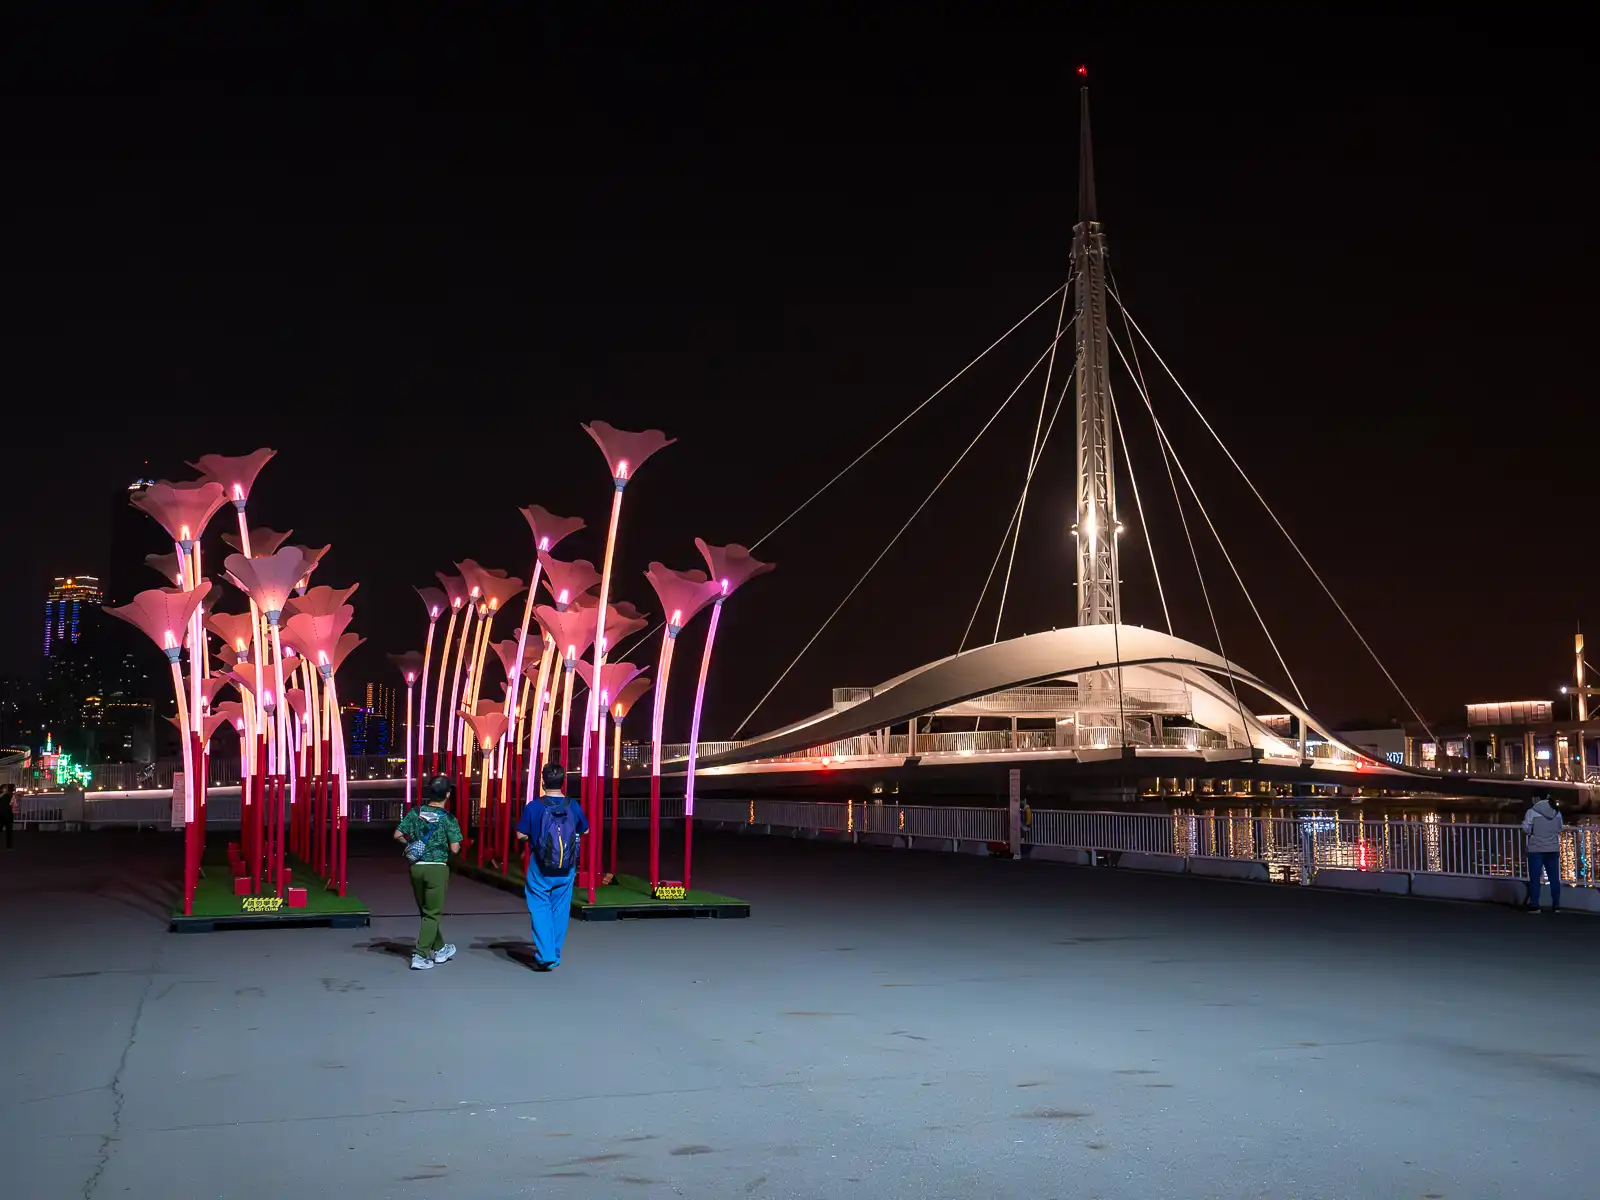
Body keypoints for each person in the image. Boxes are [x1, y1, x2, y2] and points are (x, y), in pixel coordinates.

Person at [516, 762, 589, 970]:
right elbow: (585, 830)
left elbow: (520, 834)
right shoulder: (572, 805)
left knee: (540, 908)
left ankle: (545, 954)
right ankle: (554, 954)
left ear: (542, 781)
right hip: (567, 867)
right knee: (560, 910)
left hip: (541, 866)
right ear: (563, 781)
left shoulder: (535, 806)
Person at [393, 776, 463, 969]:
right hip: (437, 869)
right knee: (432, 913)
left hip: (416, 867)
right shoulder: (448, 818)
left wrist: (411, 845)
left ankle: (440, 949)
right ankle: (420, 954)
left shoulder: (415, 813)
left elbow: (397, 835)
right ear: (447, 795)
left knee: (426, 911)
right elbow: (455, 849)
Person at [1522, 791, 1564, 912]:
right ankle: (1556, 905)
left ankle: (1535, 905)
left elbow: (1526, 829)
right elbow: (1559, 828)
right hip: (1552, 848)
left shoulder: (1531, 812)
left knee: (1535, 878)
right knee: (1554, 878)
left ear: (1536, 798)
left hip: (1536, 849)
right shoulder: (1556, 812)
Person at [1, 784, 14, 850]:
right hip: (5, 815)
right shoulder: (6, 796)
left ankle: (9, 845)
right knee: (9, 830)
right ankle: (9, 845)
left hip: (5, 815)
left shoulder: (8, 796)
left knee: (9, 830)